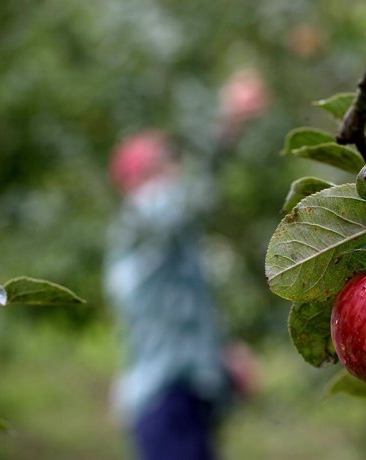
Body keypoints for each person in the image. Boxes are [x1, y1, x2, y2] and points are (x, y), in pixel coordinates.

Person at [103, 129, 259, 460]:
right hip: (166, 401)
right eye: (164, 165)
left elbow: (180, 317)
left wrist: (222, 358)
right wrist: (225, 129)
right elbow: (183, 201)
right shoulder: (142, 222)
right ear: (139, 179)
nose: (176, 172)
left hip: (183, 398)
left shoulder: (162, 246)